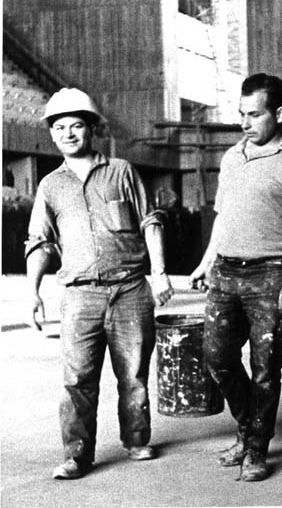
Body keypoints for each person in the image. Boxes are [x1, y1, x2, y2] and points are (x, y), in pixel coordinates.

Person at [25, 88, 174, 480]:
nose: (68, 133)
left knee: (134, 374)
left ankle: (137, 440)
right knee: (77, 380)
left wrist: (159, 272)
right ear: (51, 134)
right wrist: (33, 292)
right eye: (60, 127)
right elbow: (39, 242)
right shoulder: (50, 186)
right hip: (80, 295)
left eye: (76, 125)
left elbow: (150, 221)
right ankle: (77, 456)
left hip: (130, 289)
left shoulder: (122, 172)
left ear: (92, 128)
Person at [189, 73, 282, 482]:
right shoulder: (233, 157)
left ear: (279, 114)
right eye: (241, 114)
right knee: (217, 359)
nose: (244, 123)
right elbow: (222, 217)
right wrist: (206, 261)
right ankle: (249, 428)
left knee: (265, 369)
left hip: (271, 275)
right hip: (225, 271)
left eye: (254, 115)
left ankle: (256, 449)